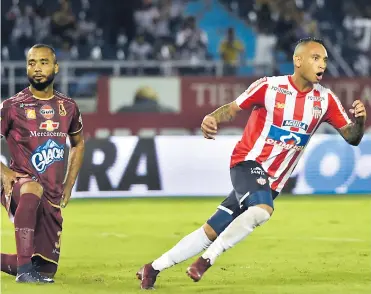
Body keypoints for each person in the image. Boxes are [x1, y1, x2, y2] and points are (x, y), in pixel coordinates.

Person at [136, 37, 367, 290]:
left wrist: (360, 122)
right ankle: (207, 260)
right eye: (316, 58)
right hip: (247, 162)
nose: (322, 64)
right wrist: (211, 117)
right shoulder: (269, 87)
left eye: (324, 59)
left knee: (211, 230)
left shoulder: (326, 100)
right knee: (263, 211)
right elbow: (233, 108)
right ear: (298, 61)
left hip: (273, 182)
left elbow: (352, 138)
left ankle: (153, 268)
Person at [0, 44, 85, 283]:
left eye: (43, 62)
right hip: (19, 183)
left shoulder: (68, 106)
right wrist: (4, 172)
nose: (37, 68)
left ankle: (27, 266)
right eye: (31, 63)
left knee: (46, 268)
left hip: (52, 195)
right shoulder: (12, 106)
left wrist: (69, 183)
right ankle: (25, 273)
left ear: (56, 67)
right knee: (32, 187)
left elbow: (78, 143)